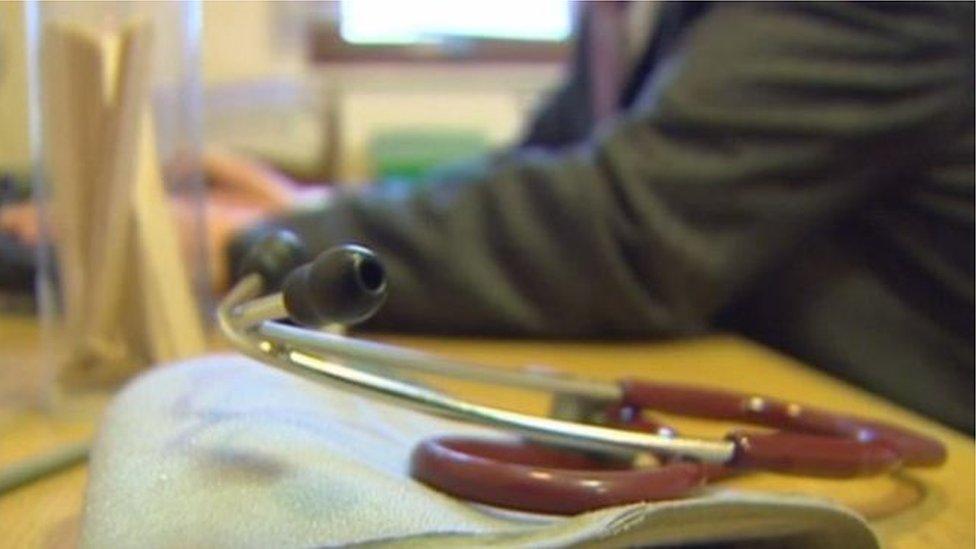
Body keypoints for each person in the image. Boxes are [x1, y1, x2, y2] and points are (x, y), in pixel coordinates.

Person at [4, 2, 973, 432]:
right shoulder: (642, 18)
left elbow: (622, 230)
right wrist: (312, 210)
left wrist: (230, 238)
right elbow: (536, 174)